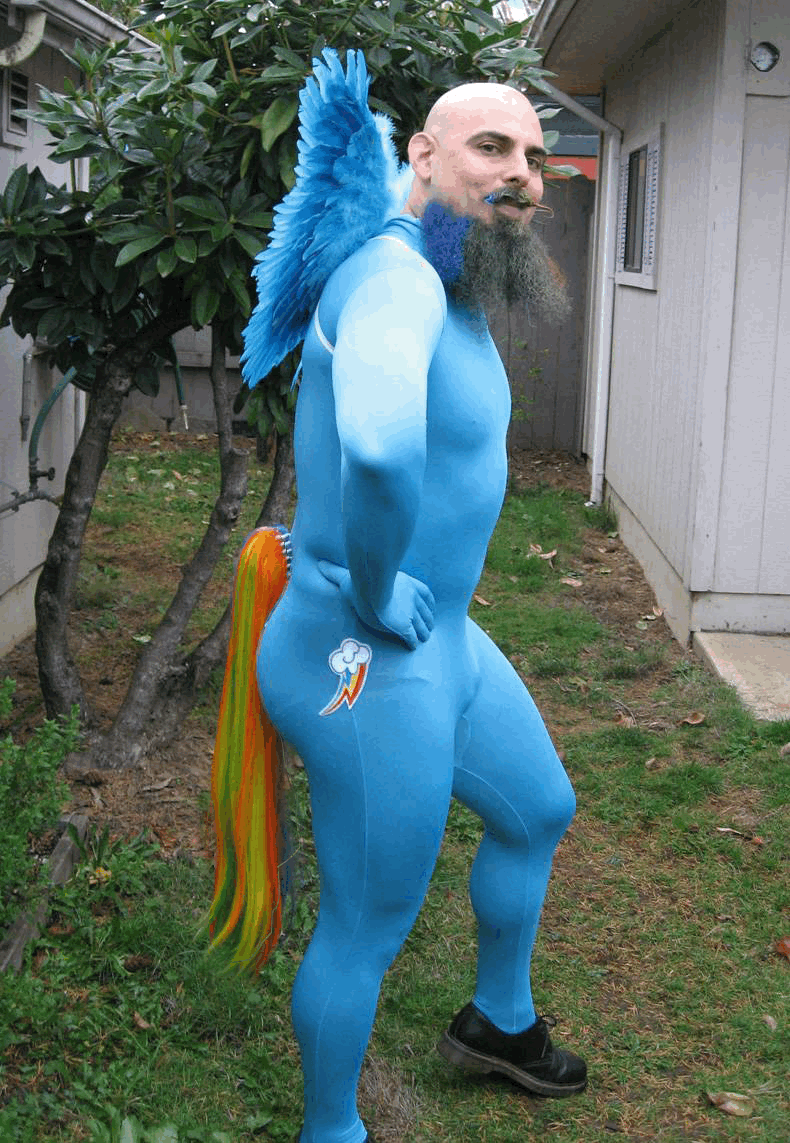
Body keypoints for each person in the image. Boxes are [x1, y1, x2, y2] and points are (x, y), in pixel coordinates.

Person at [243, 77, 587, 1143]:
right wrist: (378, 584)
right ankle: (331, 1128)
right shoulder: (395, 277)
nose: (522, 177)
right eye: (493, 149)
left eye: (535, 158)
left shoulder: (447, 278)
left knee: (538, 809)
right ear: (424, 156)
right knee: (368, 922)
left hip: (440, 640)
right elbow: (383, 446)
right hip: (361, 648)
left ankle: (498, 1022)